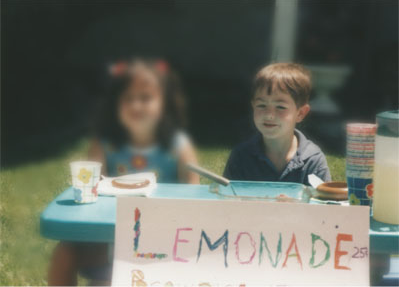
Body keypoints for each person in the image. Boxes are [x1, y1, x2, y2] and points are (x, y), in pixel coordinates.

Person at [48, 58, 199, 286]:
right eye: (128, 98)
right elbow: (90, 192)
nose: (136, 105)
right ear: (115, 105)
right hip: (110, 240)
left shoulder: (178, 147)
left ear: (164, 104)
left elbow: (194, 197)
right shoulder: (104, 146)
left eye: (145, 98)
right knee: (65, 252)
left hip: (163, 243)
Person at [223, 63, 331, 184]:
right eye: (261, 105)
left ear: (300, 113)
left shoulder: (312, 160)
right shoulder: (241, 157)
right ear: (253, 106)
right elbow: (227, 199)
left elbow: (322, 201)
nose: (269, 114)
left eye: (280, 107)